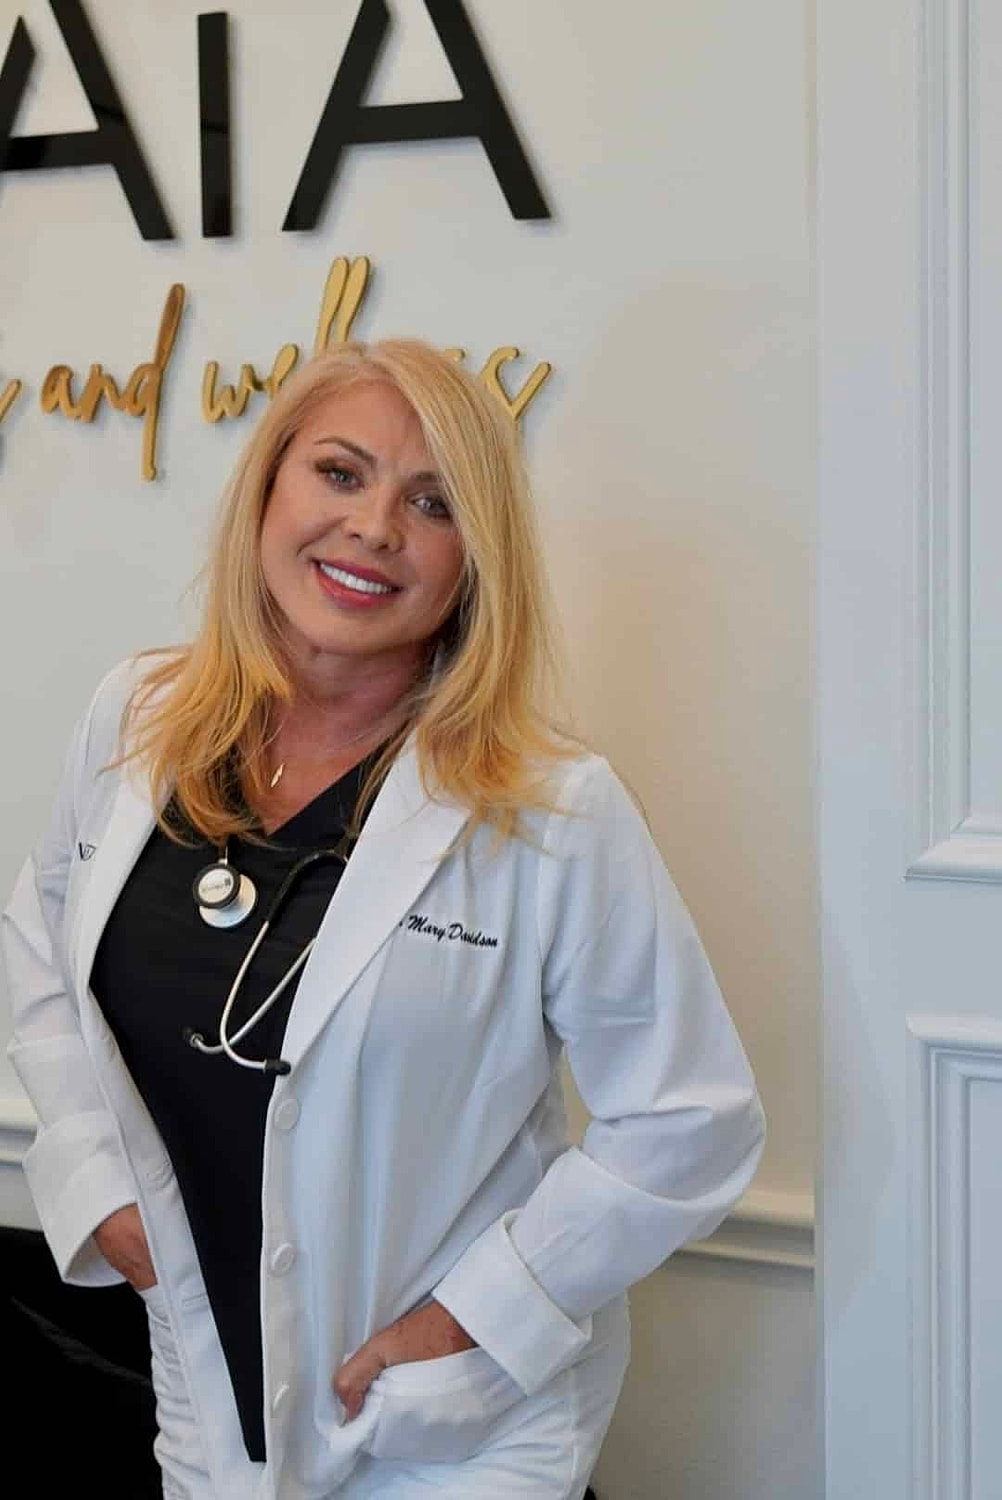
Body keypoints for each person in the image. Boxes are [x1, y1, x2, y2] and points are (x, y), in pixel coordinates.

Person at [2, 338, 765, 1499]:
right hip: (209, 1390)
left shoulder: (552, 808)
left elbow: (687, 1117)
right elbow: (43, 948)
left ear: (476, 558)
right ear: (268, 489)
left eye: (432, 503)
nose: (372, 528)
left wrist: (480, 1316)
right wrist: (88, 1176)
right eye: (340, 473)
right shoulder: (137, 717)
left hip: (446, 1423)